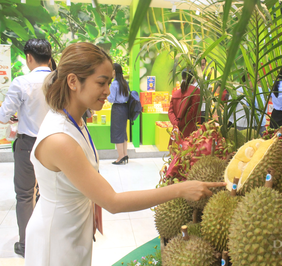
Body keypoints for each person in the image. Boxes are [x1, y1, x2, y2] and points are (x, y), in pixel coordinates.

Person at [25, 42, 224, 265]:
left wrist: (92, 199)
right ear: (73, 81)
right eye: (101, 82)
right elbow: (114, 202)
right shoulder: (59, 138)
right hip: (56, 239)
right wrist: (181, 189)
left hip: (73, 227)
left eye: (109, 82)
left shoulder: (76, 119)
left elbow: (76, 174)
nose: (108, 91)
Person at [0, 39, 52, 257]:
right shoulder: (60, 81)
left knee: (24, 195)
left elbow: (3, 116)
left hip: (28, 144)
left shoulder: (21, 82)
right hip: (54, 143)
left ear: (29, 57)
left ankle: (26, 244)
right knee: (51, 193)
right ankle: (49, 239)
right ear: (49, 57)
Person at [168, 68, 201, 145]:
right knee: (188, 153)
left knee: (175, 153)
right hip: (189, 130)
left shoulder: (175, 93)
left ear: (182, 77)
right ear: (194, 78)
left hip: (176, 130)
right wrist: (181, 123)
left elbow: (170, 111)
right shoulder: (196, 91)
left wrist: (176, 124)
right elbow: (192, 111)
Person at [107, 63, 129, 165]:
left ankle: (120, 157)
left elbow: (111, 99)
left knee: (117, 132)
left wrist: (105, 96)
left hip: (117, 109)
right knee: (123, 132)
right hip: (125, 108)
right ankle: (125, 154)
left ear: (114, 72)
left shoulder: (114, 84)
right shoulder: (124, 82)